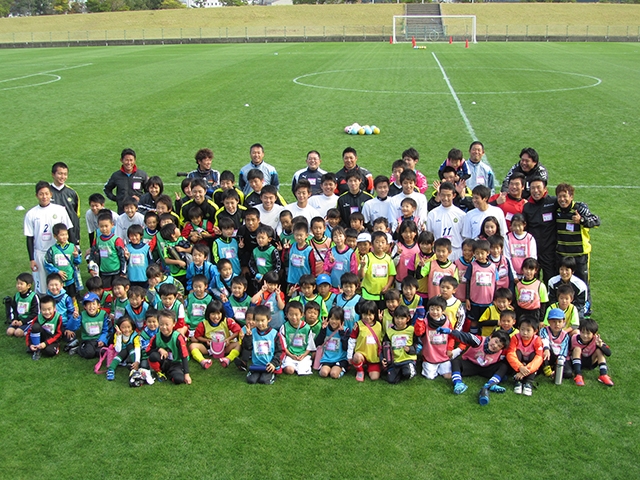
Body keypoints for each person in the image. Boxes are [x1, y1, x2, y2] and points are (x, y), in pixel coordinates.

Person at [24, 181, 74, 294]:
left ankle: (61, 308)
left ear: (51, 194)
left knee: (60, 282)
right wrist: (32, 259)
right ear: (36, 195)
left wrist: (73, 248)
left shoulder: (60, 210)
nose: (44, 196)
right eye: (41, 194)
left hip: (58, 252)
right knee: (42, 286)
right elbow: (29, 238)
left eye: (46, 193)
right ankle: (44, 308)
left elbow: (69, 230)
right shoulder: (31, 214)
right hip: (40, 253)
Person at [443, 328, 511, 404]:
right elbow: (466, 336)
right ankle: (458, 383)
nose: (495, 346)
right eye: (495, 341)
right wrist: (451, 332)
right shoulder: (479, 341)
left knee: (503, 366)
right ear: (491, 336)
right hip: (471, 365)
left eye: (499, 346)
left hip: (487, 368)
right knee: (455, 362)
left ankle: (491, 384)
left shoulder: (502, 352)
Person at [554, 183, 600, 292]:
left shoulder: (579, 209)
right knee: (563, 285)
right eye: (559, 196)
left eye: (565, 196)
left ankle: (586, 309)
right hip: (562, 255)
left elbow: (596, 221)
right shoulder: (556, 210)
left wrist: (582, 220)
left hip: (579, 255)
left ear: (571, 197)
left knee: (583, 285)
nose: (562, 199)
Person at [522, 177, 558, 285]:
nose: (535, 191)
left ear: (545, 188)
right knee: (532, 281)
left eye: (538, 187)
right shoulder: (527, 206)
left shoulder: (553, 202)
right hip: (533, 252)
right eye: (532, 188)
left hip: (549, 252)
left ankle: (549, 302)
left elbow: (568, 205)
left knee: (550, 280)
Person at [190, 299, 242, 369]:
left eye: (218, 313)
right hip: (209, 348)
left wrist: (228, 339)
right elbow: (197, 336)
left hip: (224, 347)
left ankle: (228, 359)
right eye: (213, 314)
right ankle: (203, 361)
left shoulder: (227, 321)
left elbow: (238, 331)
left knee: (238, 344)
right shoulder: (203, 324)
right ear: (208, 314)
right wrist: (206, 340)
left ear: (222, 313)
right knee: (192, 346)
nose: (216, 317)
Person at [241, 305, 286, 385]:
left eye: (262, 320)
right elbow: (247, 347)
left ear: (269, 319)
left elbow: (280, 351)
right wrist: (248, 337)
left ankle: (272, 374)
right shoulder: (252, 332)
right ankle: (254, 373)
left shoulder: (274, 334)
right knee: (251, 380)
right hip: (256, 365)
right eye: (257, 320)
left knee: (264, 381)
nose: (260, 323)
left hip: (269, 365)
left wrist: (274, 364)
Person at [147, 309, 192, 385]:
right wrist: (159, 349)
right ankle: (159, 372)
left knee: (179, 379)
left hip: (176, 363)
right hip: (164, 362)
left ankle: (171, 374)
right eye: (161, 324)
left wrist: (187, 374)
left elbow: (184, 356)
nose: (164, 327)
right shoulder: (156, 337)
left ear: (174, 323)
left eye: (167, 324)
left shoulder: (178, 338)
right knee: (153, 356)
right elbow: (148, 351)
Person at [414, 297, 453, 381]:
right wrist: (420, 318)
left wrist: (450, 349)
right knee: (430, 377)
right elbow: (418, 333)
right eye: (432, 309)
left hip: (443, 355)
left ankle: (439, 367)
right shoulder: (425, 321)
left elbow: (451, 336)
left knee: (448, 376)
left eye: (437, 309)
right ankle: (426, 363)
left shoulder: (447, 322)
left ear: (443, 311)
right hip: (430, 356)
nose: (434, 312)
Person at [425, 181, 466, 261]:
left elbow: (464, 236)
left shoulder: (461, 215)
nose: (445, 198)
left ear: (453, 195)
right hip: (439, 253)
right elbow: (429, 235)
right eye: (443, 195)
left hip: (456, 252)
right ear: (439, 195)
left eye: (448, 195)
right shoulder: (432, 214)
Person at [465, 239, 497, 334]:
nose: (479, 256)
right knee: (474, 321)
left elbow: (496, 284)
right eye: (477, 253)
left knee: (485, 321)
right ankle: (473, 339)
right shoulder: (472, 266)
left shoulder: (493, 267)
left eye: (482, 253)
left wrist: (495, 298)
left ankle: (484, 340)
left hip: (488, 301)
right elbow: (468, 282)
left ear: (488, 253)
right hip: (474, 300)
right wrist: (467, 298)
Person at [506, 316, 544, 396]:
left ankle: (528, 382)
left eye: (528, 330)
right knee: (517, 352)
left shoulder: (537, 340)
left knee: (534, 355)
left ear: (535, 331)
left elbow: (539, 357)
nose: (525, 333)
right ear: (519, 328)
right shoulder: (515, 337)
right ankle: (518, 381)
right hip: (519, 363)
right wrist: (520, 367)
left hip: (530, 364)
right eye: (522, 329)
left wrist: (525, 370)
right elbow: (510, 354)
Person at [103, 148, 148, 215]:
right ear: (121, 160)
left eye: (131, 160)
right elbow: (107, 189)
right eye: (126, 160)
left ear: (134, 160)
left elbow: (149, 191)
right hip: (122, 210)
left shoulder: (142, 175)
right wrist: (116, 198)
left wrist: (141, 199)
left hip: (138, 210)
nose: (129, 163)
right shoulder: (116, 176)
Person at [347, 300, 383, 382]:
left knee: (374, 377)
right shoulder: (358, 325)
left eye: (370, 314)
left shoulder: (379, 325)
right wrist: (349, 356)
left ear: (375, 314)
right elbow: (352, 340)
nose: (367, 317)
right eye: (365, 314)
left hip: (374, 357)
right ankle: (360, 371)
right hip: (361, 354)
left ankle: (371, 367)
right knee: (357, 357)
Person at [43, 223, 81, 300]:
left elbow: (78, 262)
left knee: (72, 297)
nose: (65, 237)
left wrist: (76, 256)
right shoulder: (52, 250)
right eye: (62, 235)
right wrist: (57, 271)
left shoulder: (72, 247)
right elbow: (47, 263)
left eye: (66, 234)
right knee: (60, 297)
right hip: (58, 281)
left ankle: (74, 310)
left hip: (70, 279)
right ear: (55, 236)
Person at [571, 318, 613, 387]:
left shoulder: (597, 340)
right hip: (577, 360)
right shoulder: (574, 338)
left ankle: (603, 375)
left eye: (588, 333)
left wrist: (601, 346)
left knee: (599, 350)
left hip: (590, 362)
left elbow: (608, 353)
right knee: (577, 349)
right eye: (583, 332)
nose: (585, 335)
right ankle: (578, 375)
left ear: (594, 334)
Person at [383, 305, 417, 384]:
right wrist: (384, 358)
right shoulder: (389, 332)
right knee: (391, 380)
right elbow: (385, 346)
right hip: (395, 360)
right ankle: (399, 371)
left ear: (407, 319)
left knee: (408, 374)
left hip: (408, 359)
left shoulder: (411, 330)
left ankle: (408, 369)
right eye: (397, 318)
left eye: (402, 318)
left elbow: (417, 344)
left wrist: (410, 349)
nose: (399, 321)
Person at [279, 301, 315, 376]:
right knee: (289, 370)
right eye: (291, 314)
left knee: (302, 371)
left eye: (296, 314)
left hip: (303, 355)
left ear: (301, 314)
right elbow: (283, 345)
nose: (294, 317)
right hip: (289, 355)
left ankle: (300, 366)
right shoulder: (284, 327)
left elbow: (310, 345)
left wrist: (304, 355)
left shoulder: (307, 328)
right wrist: (291, 355)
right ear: (287, 315)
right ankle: (292, 366)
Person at [359, 231, 396, 305]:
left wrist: (387, 286)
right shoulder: (367, 257)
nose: (380, 244)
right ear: (372, 244)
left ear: (386, 244)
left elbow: (392, 274)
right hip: (368, 294)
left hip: (382, 295)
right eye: (377, 242)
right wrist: (362, 267)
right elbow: (361, 276)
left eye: (383, 242)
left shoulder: (388, 259)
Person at [50, 162, 81, 245]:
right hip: (52, 236)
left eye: (65, 174)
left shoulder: (72, 193)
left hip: (69, 236)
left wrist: (76, 239)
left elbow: (76, 218)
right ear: (53, 174)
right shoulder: (47, 193)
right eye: (60, 174)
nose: (63, 177)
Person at [72, 292, 109, 359]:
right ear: (85, 307)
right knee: (89, 354)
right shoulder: (82, 315)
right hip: (87, 340)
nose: (91, 306)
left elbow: (107, 330)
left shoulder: (104, 314)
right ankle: (79, 349)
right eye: (88, 304)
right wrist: (75, 319)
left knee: (104, 352)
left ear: (98, 305)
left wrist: (102, 340)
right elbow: (74, 327)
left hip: (98, 339)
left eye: (93, 304)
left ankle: (92, 349)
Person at [316, 306, 349, 379]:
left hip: (340, 359)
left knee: (333, 374)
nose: (334, 321)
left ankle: (342, 370)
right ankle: (327, 368)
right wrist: (323, 331)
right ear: (328, 319)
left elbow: (346, 347)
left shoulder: (345, 330)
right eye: (332, 319)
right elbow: (317, 343)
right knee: (323, 373)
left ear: (342, 320)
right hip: (327, 358)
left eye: (337, 319)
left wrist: (342, 334)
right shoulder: (325, 328)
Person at [540, 308, 573, 381]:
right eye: (554, 321)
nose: (557, 324)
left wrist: (560, 359)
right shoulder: (544, 330)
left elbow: (564, 349)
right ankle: (547, 369)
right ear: (548, 321)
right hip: (549, 353)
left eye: (559, 321)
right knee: (543, 354)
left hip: (560, 356)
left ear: (563, 322)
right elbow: (544, 340)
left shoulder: (565, 335)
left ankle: (555, 370)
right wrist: (546, 349)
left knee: (568, 373)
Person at [26, 295, 62, 360]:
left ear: (54, 308)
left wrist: (46, 343)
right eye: (44, 310)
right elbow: (29, 331)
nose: (47, 312)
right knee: (35, 326)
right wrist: (30, 344)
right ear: (40, 309)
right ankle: (36, 349)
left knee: (50, 351)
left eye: (49, 309)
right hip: (41, 338)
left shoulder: (58, 318)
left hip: (52, 340)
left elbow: (58, 334)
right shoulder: (37, 318)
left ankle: (44, 348)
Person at [515, 257, 548, 322]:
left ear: (535, 270)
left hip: (534, 313)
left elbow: (543, 303)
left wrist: (541, 319)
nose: (528, 271)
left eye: (531, 269)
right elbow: (517, 300)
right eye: (526, 269)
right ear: (522, 269)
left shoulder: (540, 285)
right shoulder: (518, 285)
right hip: (521, 313)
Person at [6, 273, 39, 338]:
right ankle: (20, 328)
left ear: (28, 286)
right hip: (18, 320)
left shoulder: (34, 297)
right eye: (18, 283)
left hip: (28, 321)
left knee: (18, 333)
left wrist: (23, 321)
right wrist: (14, 319)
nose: (18, 286)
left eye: (21, 284)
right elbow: (13, 309)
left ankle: (28, 331)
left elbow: (36, 313)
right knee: (9, 332)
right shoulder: (17, 295)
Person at [505, 213, 537, 279]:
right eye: (514, 225)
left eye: (519, 225)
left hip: (527, 275)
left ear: (524, 225)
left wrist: (527, 273)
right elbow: (507, 257)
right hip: (512, 274)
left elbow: (533, 257)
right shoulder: (508, 238)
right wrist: (513, 275)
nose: (517, 228)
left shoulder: (530, 238)